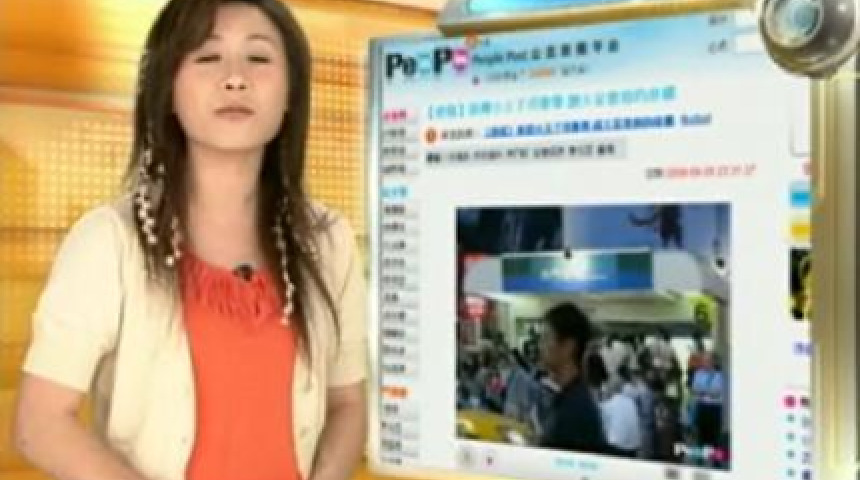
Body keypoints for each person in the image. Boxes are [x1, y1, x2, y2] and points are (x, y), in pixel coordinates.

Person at [12, 2, 367, 480]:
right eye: (207, 57)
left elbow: (347, 403)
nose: (235, 79)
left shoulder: (328, 242)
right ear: (169, 91)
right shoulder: (109, 241)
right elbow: (40, 424)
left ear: (291, 93)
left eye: (258, 58)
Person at [537, 302, 609, 455]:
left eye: (546, 338)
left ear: (568, 346)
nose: (540, 346)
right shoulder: (568, 396)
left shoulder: (576, 409)